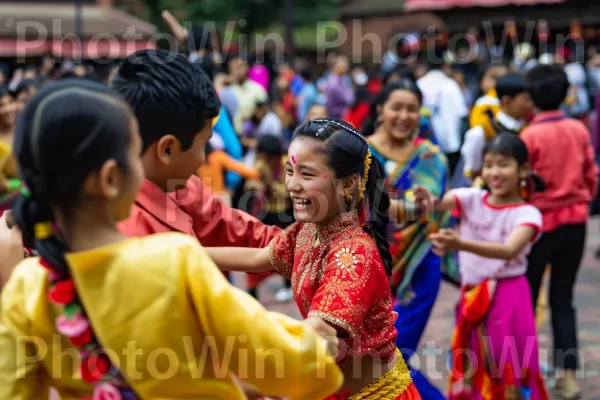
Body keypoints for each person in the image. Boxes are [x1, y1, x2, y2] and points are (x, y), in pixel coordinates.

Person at [0, 79, 343, 399]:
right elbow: (288, 366)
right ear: (110, 179)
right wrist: (318, 339)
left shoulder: (25, 287)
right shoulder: (173, 260)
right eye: (134, 154)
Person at [206, 118, 421, 400]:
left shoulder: (354, 254)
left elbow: (318, 329)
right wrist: (184, 253)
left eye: (306, 174)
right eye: (289, 171)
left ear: (347, 184)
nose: (292, 185)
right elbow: (259, 256)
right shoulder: (306, 232)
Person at [110, 50, 281, 249]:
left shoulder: (183, 185)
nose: (202, 158)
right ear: (167, 149)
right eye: (203, 143)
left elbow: (234, 228)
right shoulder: (126, 234)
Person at [423, 133, 549, 400]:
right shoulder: (469, 198)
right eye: (489, 164)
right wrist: (421, 199)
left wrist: (460, 244)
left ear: (523, 169)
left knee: (507, 366)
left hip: (509, 298)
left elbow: (508, 250)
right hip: (471, 296)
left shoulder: (527, 214)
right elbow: (430, 206)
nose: (495, 172)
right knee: (474, 362)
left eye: (504, 164)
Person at [366, 79, 451, 399]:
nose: (404, 116)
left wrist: (388, 205)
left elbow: (425, 206)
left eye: (412, 109)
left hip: (419, 264)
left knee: (394, 352)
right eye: (396, 107)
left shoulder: (430, 157)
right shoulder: (359, 152)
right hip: (369, 265)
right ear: (380, 111)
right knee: (373, 356)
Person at [521, 64, 599, 399]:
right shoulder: (578, 129)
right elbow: (591, 173)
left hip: (539, 225)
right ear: (566, 92)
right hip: (575, 222)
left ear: (531, 97)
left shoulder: (529, 136)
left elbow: (523, 184)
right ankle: (566, 377)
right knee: (563, 300)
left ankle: (526, 374)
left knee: (527, 298)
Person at [460, 74, 533, 182]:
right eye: (526, 100)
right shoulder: (481, 132)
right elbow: (471, 173)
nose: (530, 105)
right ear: (506, 101)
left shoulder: (527, 127)